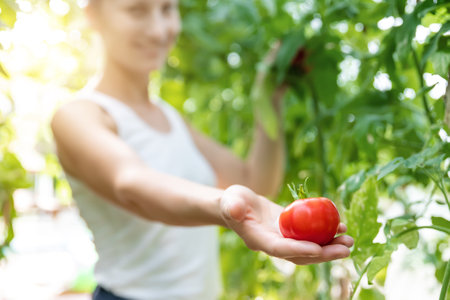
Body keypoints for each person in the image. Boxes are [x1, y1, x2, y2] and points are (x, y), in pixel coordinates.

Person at [51, 0, 354, 299]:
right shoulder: (78, 115)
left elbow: (255, 182)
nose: (158, 30)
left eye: (167, 8)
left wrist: (269, 97)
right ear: (93, 15)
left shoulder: (170, 117)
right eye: (137, 10)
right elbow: (130, 182)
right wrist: (226, 206)